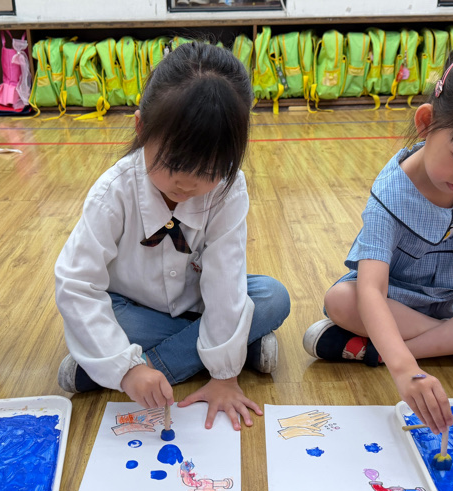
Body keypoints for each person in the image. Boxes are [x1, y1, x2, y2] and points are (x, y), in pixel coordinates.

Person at [303, 34, 453, 434]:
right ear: (426, 124)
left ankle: (376, 351)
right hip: (400, 299)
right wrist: (406, 371)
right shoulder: (390, 195)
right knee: (341, 300)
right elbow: (371, 290)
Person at [54, 42, 290, 431]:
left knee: (272, 297)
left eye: (210, 170)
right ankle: (237, 346)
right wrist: (125, 368)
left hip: (197, 303)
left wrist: (224, 377)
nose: (188, 183)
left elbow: (225, 280)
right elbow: (77, 284)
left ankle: (137, 366)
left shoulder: (229, 188)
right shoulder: (113, 191)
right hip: (132, 308)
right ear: (141, 127)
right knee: (105, 318)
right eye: (175, 164)